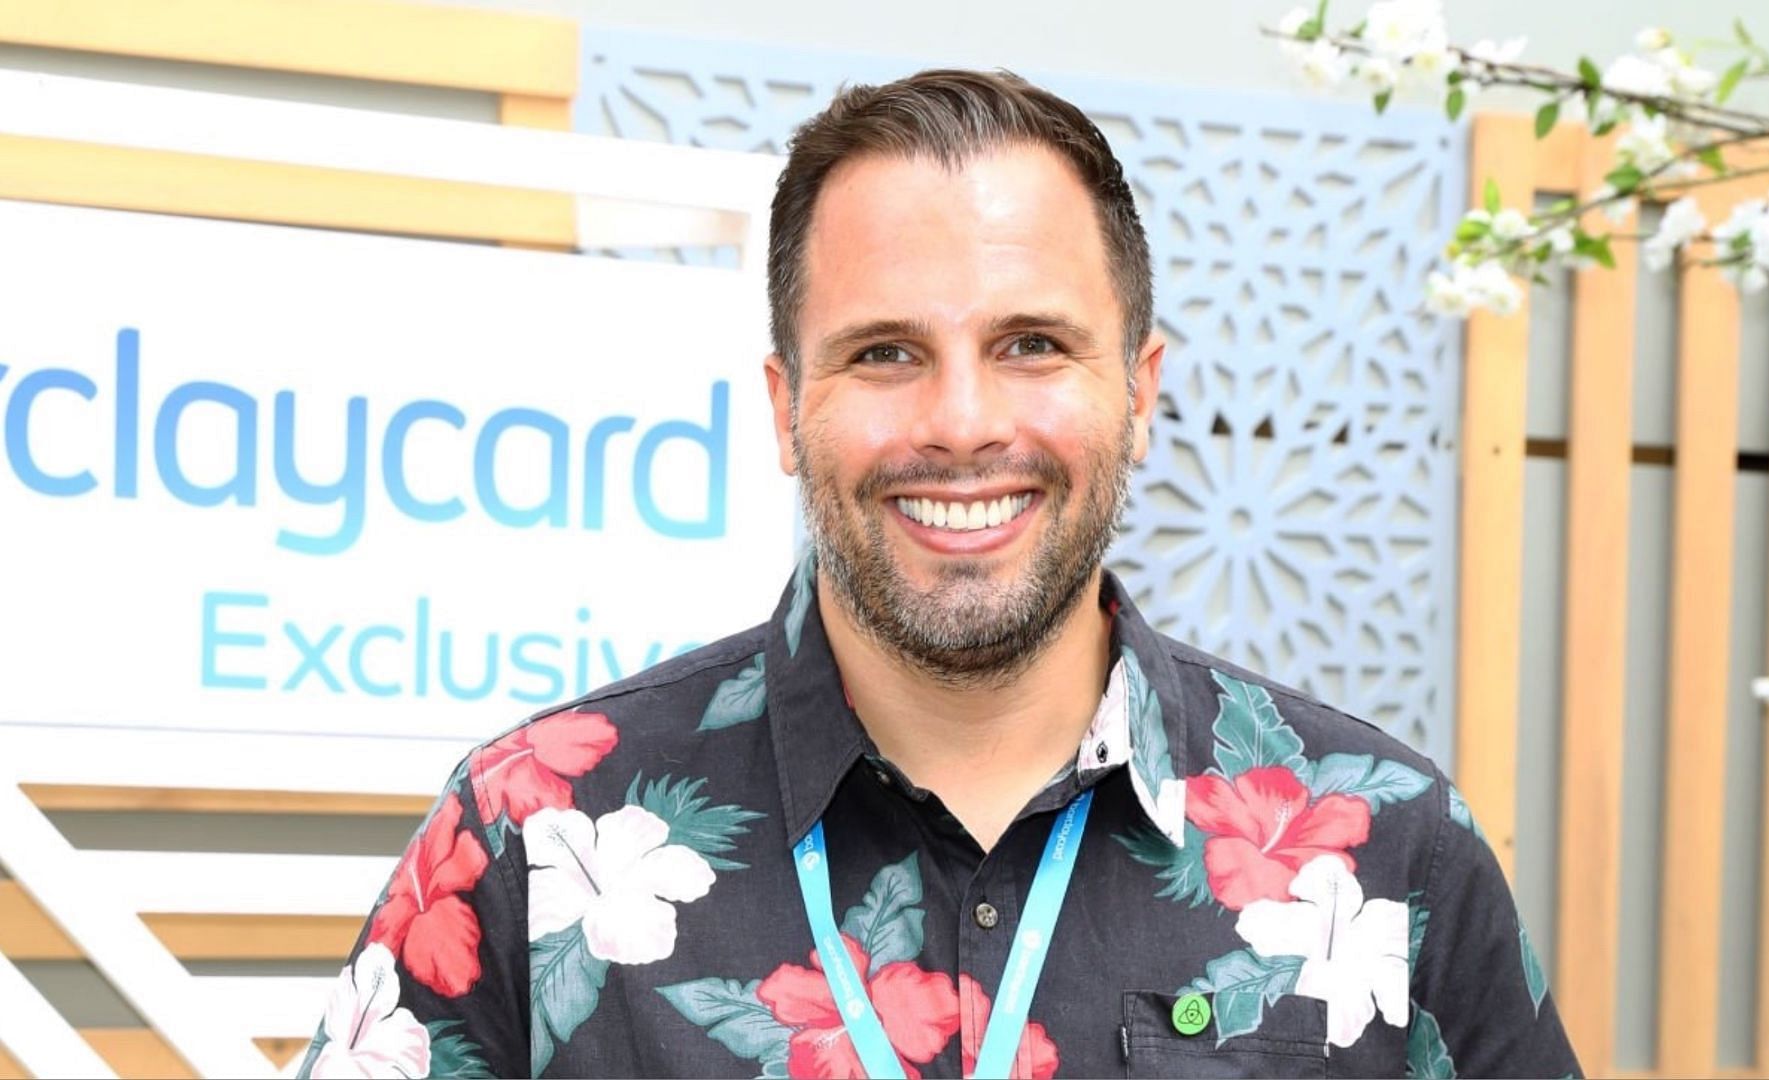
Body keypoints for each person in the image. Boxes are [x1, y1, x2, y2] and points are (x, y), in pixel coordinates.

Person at [298, 69, 1582, 1080]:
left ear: (1139, 395)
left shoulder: (1387, 854)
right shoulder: (532, 832)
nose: (962, 422)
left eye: (1030, 343)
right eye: (884, 353)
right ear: (786, 405)